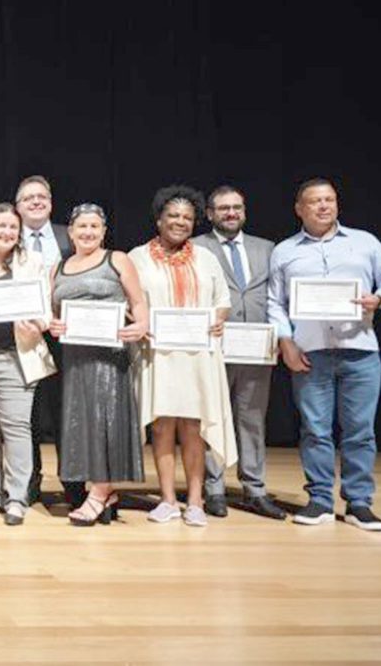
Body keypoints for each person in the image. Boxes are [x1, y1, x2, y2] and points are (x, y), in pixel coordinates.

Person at [268, 178, 381, 531]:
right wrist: (286, 342)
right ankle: (319, 500)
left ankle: (359, 503)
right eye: (314, 201)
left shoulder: (365, 243)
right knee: (314, 430)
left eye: (329, 199)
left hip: (359, 351)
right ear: (299, 208)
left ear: (337, 205)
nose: (323, 206)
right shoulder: (285, 251)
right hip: (309, 354)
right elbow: (274, 302)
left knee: (360, 431)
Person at [129, 186, 236, 528]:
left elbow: (222, 301)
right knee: (162, 426)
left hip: (197, 356)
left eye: (187, 217)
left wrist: (219, 318)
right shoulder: (137, 257)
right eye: (173, 216)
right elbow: (130, 303)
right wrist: (139, 321)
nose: (180, 222)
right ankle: (167, 500)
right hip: (156, 354)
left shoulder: (206, 257)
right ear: (159, 219)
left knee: (193, 427)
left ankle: (194, 501)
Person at [48, 204, 149, 526]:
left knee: (106, 421)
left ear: (104, 231)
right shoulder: (59, 267)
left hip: (109, 358)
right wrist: (53, 324)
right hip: (75, 358)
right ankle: (103, 491)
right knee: (83, 424)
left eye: (95, 226)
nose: (88, 232)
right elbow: (49, 309)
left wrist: (142, 324)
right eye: (82, 226)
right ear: (71, 231)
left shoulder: (117, 259)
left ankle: (100, 491)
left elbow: (138, 301)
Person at [192, 185, 286, 520]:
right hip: (214, 346)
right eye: (223, 208)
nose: (231, 213)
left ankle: (255, 489)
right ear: (210, 213)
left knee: (252, 419)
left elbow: (278, 296)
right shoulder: (196, 247)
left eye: (237, 207)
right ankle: (214, 488)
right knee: (214, 418)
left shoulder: (268, 249)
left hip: (258, 349)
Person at [0, 204, 56, 525]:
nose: (7, 232)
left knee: (17, 428)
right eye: (1, 226)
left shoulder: (31, 261)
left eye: (13, 228)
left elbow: (45, 314)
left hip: (17, 357)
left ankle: (16, 497)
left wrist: (34, 323)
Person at [14, 175, 83, 508]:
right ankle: (30, 480)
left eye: (42, 197)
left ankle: (71, 482)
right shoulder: (8, 236)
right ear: (18, 207)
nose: (36, 202)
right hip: (24, 336)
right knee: (26, 415)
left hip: (64, 336)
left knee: (64, 411)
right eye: (29, 198)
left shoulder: (68, 237)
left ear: (51, 203)